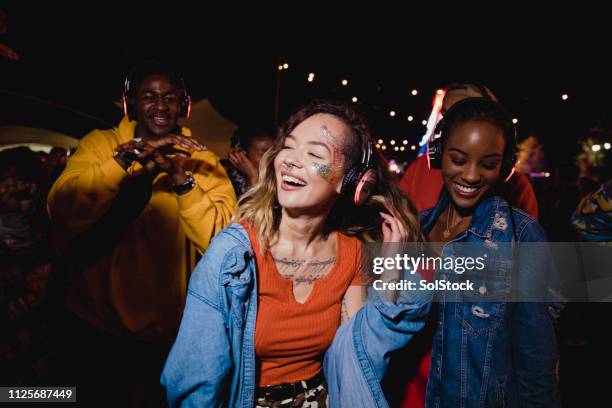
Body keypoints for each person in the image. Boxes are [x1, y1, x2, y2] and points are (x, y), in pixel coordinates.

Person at [161, 100, 431, 407]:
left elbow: (358, 357)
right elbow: (196, 378)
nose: (290, 160)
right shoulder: (233, 254)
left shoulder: (353, 252)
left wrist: (392, 273)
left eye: (315, 154)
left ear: (353, 183)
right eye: (288, 147)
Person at [46, 62, 236, 406]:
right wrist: (122, 162)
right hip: (96, 322)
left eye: (170, 98)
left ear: (183, 106)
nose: (161, 106)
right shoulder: (100, 144)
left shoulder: (201, 159)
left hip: (169, 332)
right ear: (131, 104)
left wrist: (182, 180)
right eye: (149, 97)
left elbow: (223, 241)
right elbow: (63, 209)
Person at [399, 97, 561, 407]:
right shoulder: (414, 229)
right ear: (437, 155)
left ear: (505, 167)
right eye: (459, 159)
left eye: (488, 164)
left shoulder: (522, 239)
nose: (472, 176)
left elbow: (536, 365)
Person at [399, 83, 539, 219]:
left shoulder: (519, 187)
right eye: (446, 115)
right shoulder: (418, 168)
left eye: (464, 114)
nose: (470, 177)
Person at [221, 124, 275, 198]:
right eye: (264, 153)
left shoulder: (275, 178)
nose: (272, 158)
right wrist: (253, 175)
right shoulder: (224, 177)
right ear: (241, 154)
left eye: (274, 152)